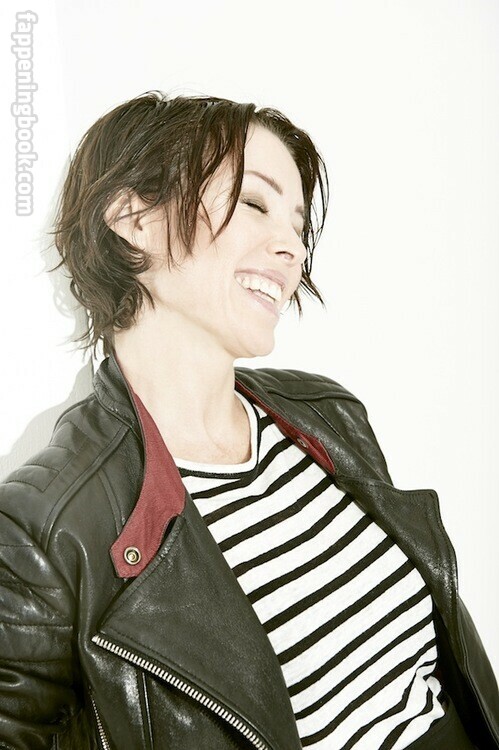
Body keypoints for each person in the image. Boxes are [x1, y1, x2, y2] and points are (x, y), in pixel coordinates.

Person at [0, 90, 497, 750]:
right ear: (134, 219)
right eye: (255, 204)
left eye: (297, 225)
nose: (292, 249)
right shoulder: (43, 527)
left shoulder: (326, 416)